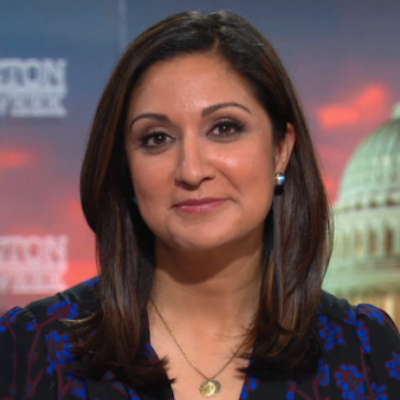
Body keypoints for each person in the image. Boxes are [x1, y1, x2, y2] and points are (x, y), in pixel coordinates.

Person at [1, 10, 399, 400]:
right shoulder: (33, 349)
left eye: (225, 128)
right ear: (125, 166)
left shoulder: (367, 353)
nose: (191, 170)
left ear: (281, 150)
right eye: (157, 138)